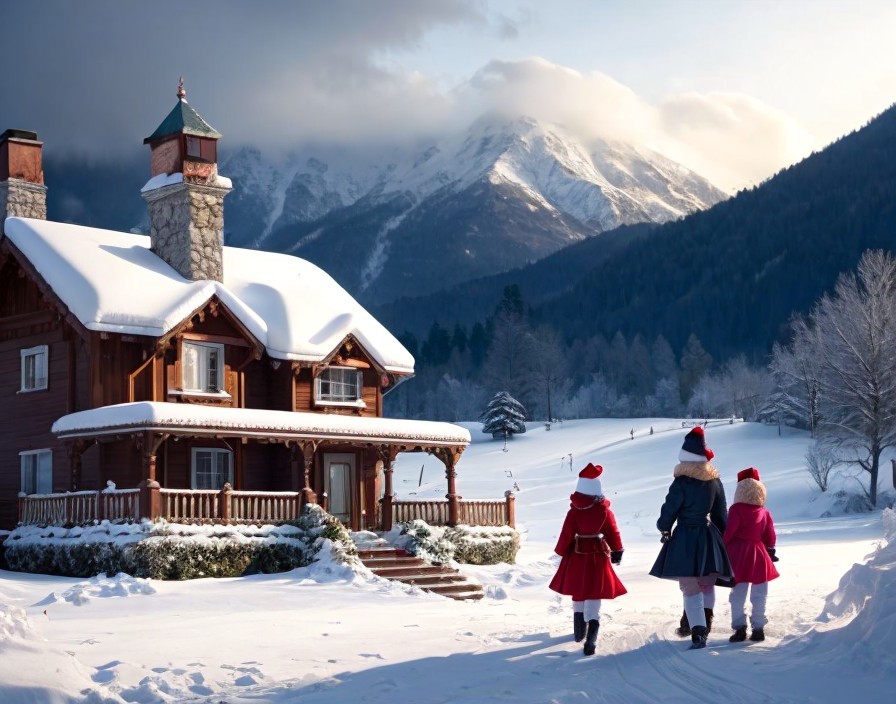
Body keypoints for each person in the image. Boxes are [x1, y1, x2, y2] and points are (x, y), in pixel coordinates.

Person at [649, 427, 733, 649]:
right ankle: (706, 624)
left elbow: (669, 509)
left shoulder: (681, 482)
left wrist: (664, 527)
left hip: (685, 536)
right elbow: (721, 514)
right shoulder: (715, 482)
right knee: (707, 582)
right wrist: (723, 538)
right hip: (708, 536)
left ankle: (697, 631)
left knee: (689, 585)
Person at [549, 462, 627, 656]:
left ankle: (578, 632)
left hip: (576, 555)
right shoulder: (604, 511)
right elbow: (612, 531)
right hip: (598, 555)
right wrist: (617, 550)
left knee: (579, 589)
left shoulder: (573, 511)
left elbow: (566, 534)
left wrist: (560, 551)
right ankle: (591, 639)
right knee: (594, 590)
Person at [724, 467, 780, 643]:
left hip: (738, 555)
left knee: (737, 595)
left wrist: (721, 549)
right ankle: (758, 628)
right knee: (759, 594)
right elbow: (770, 537)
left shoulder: (735, 510)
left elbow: (728, 533)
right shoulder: (764, 512)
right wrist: (769, 549)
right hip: (759, 555)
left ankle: (739, 628)